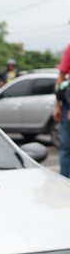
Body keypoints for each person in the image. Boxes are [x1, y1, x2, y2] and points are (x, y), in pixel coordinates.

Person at [54, 42, 70, 177]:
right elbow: (61, 76)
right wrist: (57, 105)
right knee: (65, 147)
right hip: (67, 103)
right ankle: (64, 183)